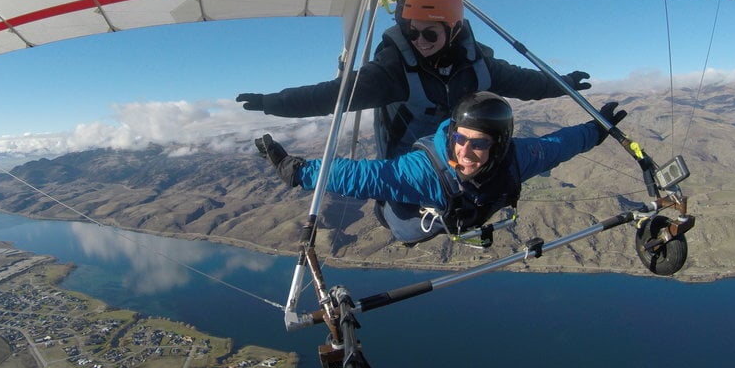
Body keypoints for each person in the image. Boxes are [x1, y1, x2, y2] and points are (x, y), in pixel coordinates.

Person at [237, 0, 591, 159]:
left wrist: (564, 84)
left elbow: (525, 82)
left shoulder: (478, 64)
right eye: (412, 31)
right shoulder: (391, 72)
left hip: (460, 153)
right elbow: (332, 95)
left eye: (430, 33)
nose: (419, 40)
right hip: (411, 157)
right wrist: (273, 102)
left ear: (453, 31)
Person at [255, 92, 626, 245]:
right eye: (460, 139)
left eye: (479, 143)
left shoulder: (518, 158)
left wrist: (597, 129)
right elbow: (361, 176)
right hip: (406, 218)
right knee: (393, 201)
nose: (465, 151)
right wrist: (299, 171)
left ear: (498, 146)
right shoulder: (424, 173)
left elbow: (558, 146)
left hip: (457, 211)